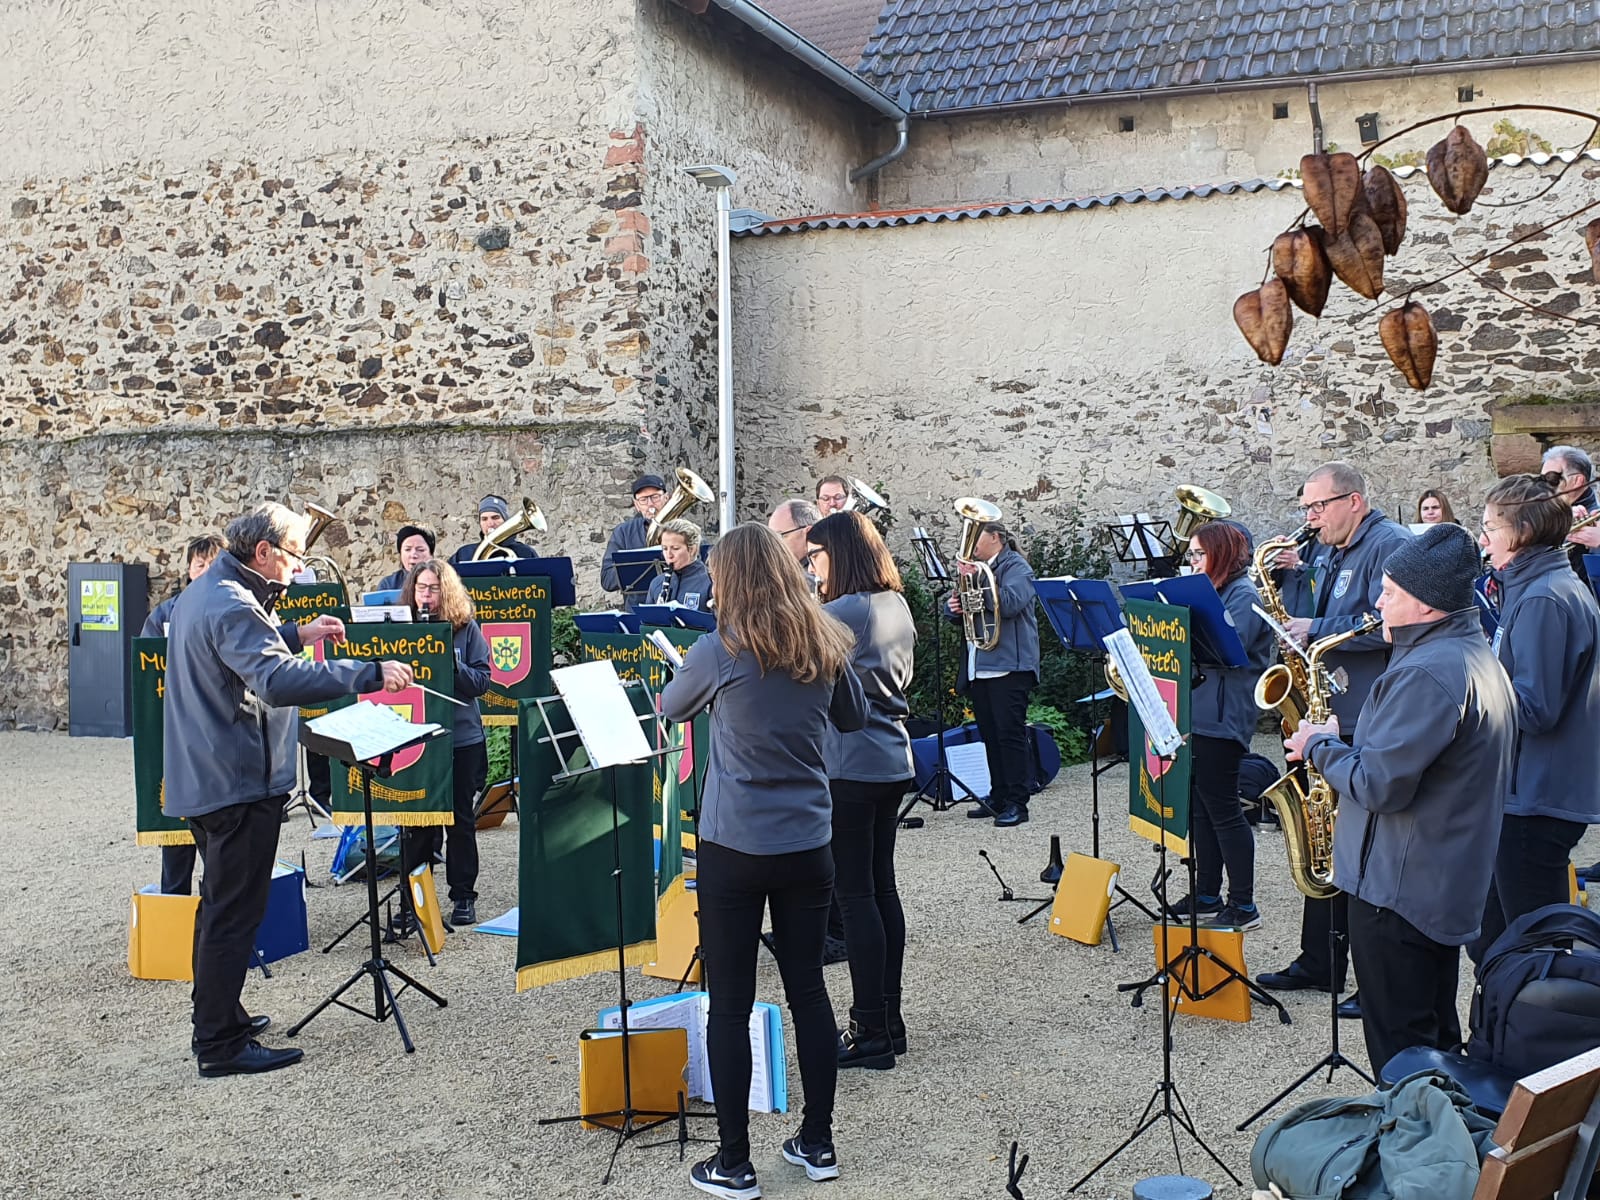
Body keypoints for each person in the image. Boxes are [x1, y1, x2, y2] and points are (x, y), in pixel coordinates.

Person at [164, 503, 413, 1077]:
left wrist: (296, 633)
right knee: (234, 912)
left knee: (220, 904)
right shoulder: (232, 600)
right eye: (295, 556)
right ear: (263, 552)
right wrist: (368, 673)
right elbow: (274, 680)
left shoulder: (211, 590)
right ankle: (219, 1044)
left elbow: (235, 649)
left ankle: (220, 1014)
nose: (299, 569)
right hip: (235, 781)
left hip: (209, 774)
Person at [661, 524, 866, 1199]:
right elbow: (852, 718)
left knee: (730, 1002)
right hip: (807, 839)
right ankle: (818, 1141)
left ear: (732, 580)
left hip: (736, 842)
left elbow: (671, 707)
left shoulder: (720, 648)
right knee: (809, 990)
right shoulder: (825, 641)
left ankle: (734, 1161)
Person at [1285, 524, 1515, 1071]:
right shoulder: (1465, 654)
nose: (1378, 603)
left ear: (1427, 605)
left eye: (1389, 593)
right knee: (1435, 1045)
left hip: (1398, 891)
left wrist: (1319, 746)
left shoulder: (1428, 671)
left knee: (1402, 1058)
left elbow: (1378, 785)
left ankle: (1415, 1127)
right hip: (1430, 881)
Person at [1259, 462, 1411, 1015]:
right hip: (1324, 711)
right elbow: (1321, 610)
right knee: (1320, 836)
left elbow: (1389, 624)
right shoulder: (1329, 548)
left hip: (1363, 715)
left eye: (1318, 506)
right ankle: (1319, 960)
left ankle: (1376, 981)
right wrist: (1292, 586)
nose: (1310, 517)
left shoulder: (1389, 545)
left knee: (1363, 850)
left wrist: (1314, 629)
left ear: (1354, 501)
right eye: (1305, 507)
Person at [1469, 472, 1600, 963]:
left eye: (1490, 527)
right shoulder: (1538, 587)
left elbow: (1535, 708)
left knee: (1533, 952)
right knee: (1492, 942)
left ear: (1522, 532)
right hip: (1528, 790)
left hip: (1535, 797)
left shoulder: (1544, 597)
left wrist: (1467, 687)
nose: (1483, 539)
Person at [807, 511, 915, 1070]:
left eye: (816, 556)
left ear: (840, 554)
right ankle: (889, 1020)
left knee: (855, 899)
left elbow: (795, 652)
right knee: (881, 889)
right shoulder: (894, 602)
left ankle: (870, 1029)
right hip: (891, 755)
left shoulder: (845, 609)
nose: (812, 567)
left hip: (851, 761)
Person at [1167, 521, 1273, 930]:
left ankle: (1243, 904)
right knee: (1199, 806)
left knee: (1224, 809)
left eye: (1200, 554)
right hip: (1200, 710)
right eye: (1191, 554)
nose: (1193, 561)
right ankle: (1207, 892)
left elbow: (1226, 648)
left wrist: (1184, 620)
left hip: (1225, 714)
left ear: (1221, 554)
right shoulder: (1215, 591)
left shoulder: (1243, 594)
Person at [397, 559, 493, 927]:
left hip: (461, 739)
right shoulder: (402, 629)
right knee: (418, 823)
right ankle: (414, 903)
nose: (426, 595)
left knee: (460, 820)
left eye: (434, 589)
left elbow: (482, 681)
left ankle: (463, 896)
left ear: (446, 591)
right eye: (421, 588)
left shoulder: (466, 629)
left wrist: (452, 665)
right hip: (416, 739)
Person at [142, 534, 224, 897]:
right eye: (199, 564)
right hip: (174, 729)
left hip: (216, 732)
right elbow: (147, 671)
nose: (205, 570)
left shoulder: (232, 608)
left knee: (220, 840)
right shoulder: (163, 614)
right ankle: (174, 906)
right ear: (188, 570)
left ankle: (218, 909)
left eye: (213, 563)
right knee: (175, 831)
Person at [946, 516, 1040, 827]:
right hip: (981, 663)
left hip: (1009, 665)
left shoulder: (1017, 567)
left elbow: (1010, 603)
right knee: (990, 735)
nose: (971, 545)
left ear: (996, 538)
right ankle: (999, 795)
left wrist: (980, 582)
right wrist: (954, 608)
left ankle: (1017, 802)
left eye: (977, 537)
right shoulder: (978, 570)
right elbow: (966, 609)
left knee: (1009, 735)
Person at [601, 475, 668, 611]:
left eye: (655, 497)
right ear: (637, 505)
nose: (650, 504)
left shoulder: (683, 529)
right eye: (643, 500)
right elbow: (607, 579)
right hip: (637, 611)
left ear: (666, 498)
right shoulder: (623, 532)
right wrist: (635, 567)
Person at [1541, 445, 1600, 565]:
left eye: (1551, 479)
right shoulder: (1543, 511)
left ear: (1577, 481)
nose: (1544, 487)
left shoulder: (1596, 517)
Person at [449, 495, 536, 566]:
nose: (490, 523)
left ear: (505, 520)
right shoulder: (463, 554)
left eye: (495, 517)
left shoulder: (526, 552)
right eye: (484, 519)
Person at [645, 519, 712, 609]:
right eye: (665, 549)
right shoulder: (657, 583)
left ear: (692, 549)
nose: (669, 555)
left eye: (675, 548)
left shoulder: (710, 581)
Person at [376, 524, 436, 591]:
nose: (413, 555)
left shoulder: (442, 581)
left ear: (431, 555)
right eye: (407, 549)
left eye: (420, 550)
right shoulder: (388, 585)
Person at [768, 498, 820, 564]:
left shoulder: (823, 568)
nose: (773, 544)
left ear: (809, 533)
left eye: (780, 536)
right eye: (771, 537)